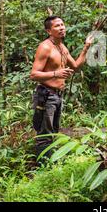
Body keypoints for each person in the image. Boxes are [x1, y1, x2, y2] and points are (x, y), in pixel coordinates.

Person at [29, 15, 93, 161]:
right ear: (48, 31)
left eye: (62, 25)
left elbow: (75, 66)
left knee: (53, 131)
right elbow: (33, 75)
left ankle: (50, 162)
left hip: (57, 95)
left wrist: (86, 47)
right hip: (46, 95)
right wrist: (56, 73)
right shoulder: (45, 47)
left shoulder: (62, 47)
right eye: (57, 26)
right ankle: (43, 168)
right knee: (44, 134)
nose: (62, 28)